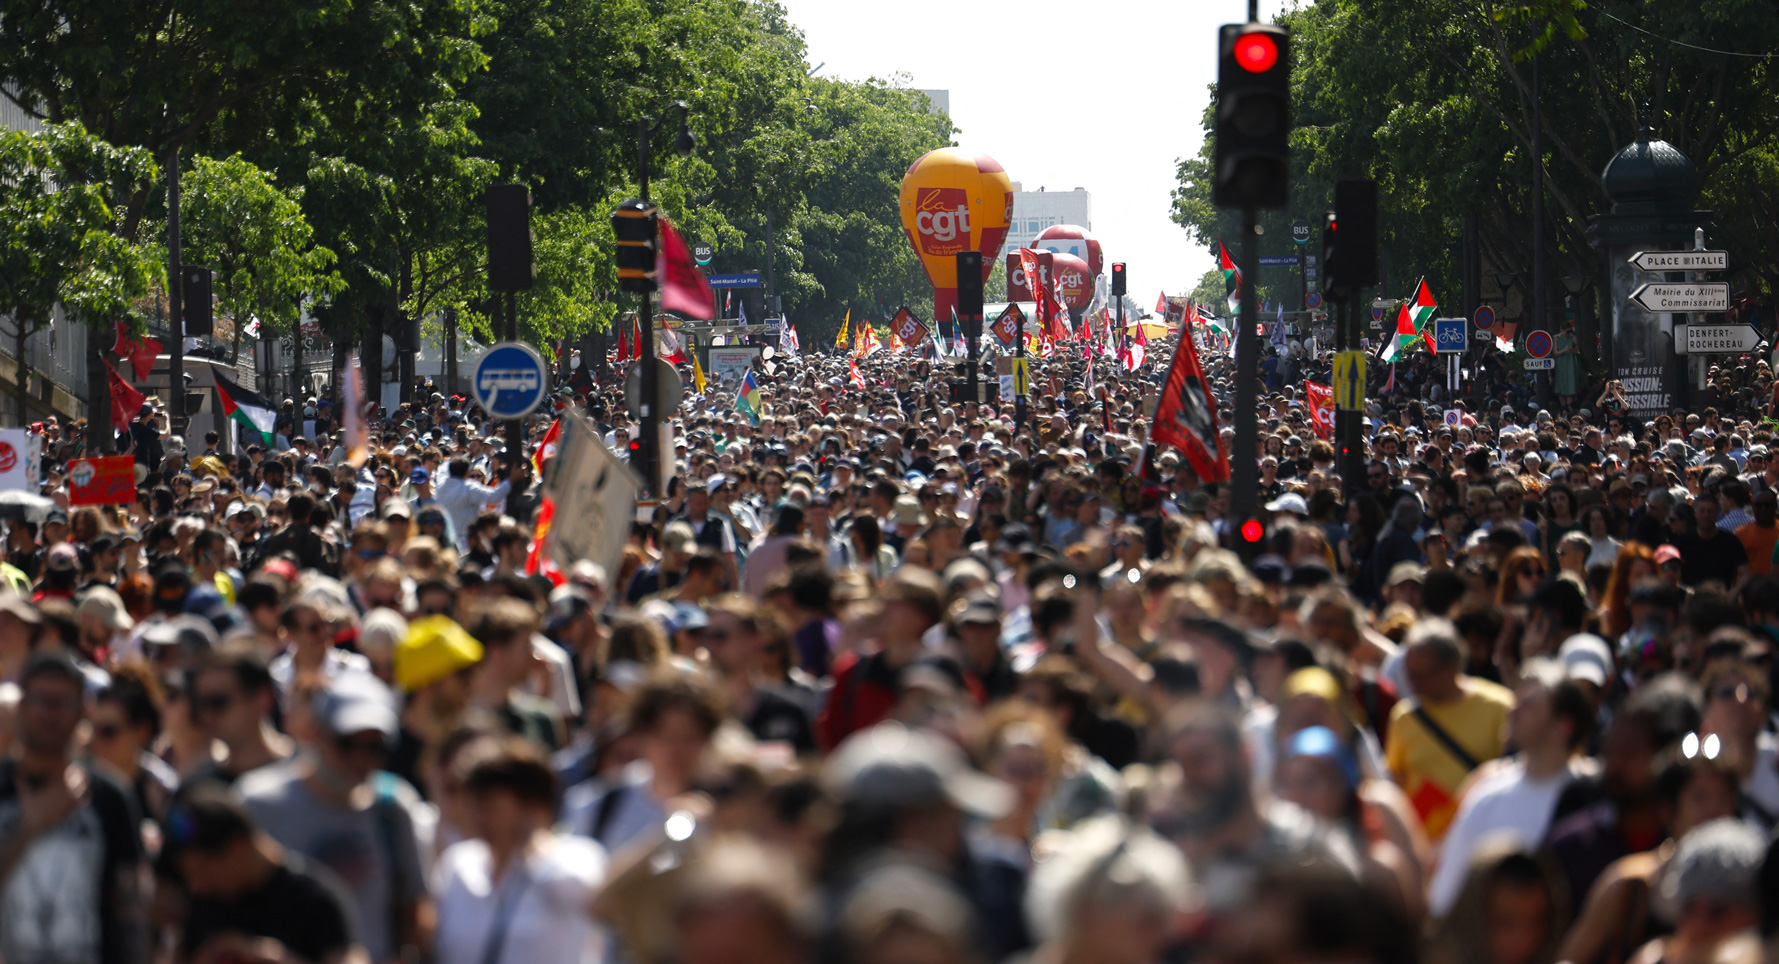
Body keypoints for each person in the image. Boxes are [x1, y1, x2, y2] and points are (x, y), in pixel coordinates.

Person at [237, 674, 432, 964]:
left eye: (375, 747)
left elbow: (414, 907)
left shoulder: (393, 809)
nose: (360, 759)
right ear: (316, 732)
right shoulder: (258, 803)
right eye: (347, 744)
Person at [0, 650, 148, 964]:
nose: (50, 713)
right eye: (41, 699)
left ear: (83, 710)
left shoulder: (110, 797)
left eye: (62, 702)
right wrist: (28, 829)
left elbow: (130, 909)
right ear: (22, 706)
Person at [1426, 659, 1595, 916]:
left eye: (1528, 706)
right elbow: (1446, 896)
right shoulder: (1486, 796)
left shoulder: (1594, 798)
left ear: (1563, 727)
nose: (1512, 710)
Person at [431, 738, 609, 964]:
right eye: (472, 800)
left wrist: (534, 847)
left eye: (488, 801)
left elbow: (607, 901)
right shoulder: (457, 864)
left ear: (531, 803)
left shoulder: (573, 860)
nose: (477, 812)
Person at [168, 786, 369, 964]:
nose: (198, 885)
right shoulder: (205, 902)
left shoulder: (314, 899)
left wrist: (274, 959)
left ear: (238, 847)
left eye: (203, 870)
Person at [1385, 618, 1515, 841]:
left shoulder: (1500, 707)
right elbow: (1396, 782)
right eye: (1409, 674)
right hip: (1425, 844)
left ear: (1451, 668)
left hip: (1482, 839)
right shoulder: (1403, 717)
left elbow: (1513, 774)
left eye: (1422, 675)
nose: (1412, 684)